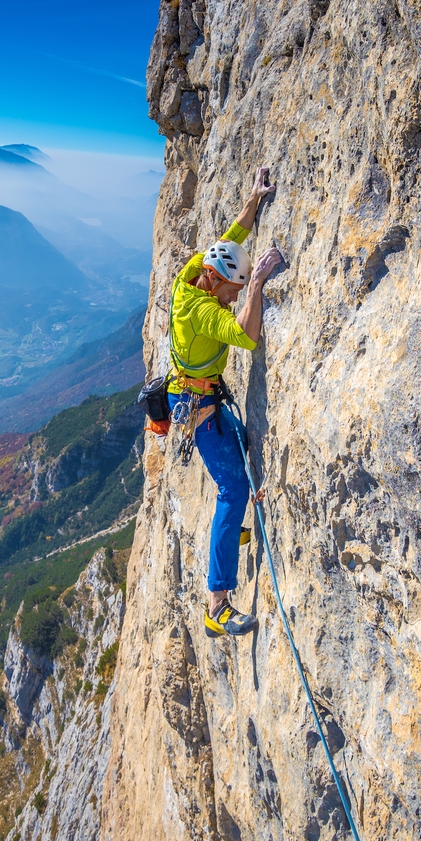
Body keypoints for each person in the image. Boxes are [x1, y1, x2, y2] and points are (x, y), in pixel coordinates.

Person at [167, 167, 283, 639]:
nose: (234, 298)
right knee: (233, 490)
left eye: (238, 293)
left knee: (243, 446)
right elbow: (247, 336)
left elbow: (228, 239)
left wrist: (253, 199)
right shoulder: (206, 312)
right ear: (218, 288)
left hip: (196, 393)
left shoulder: (193, 275)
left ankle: (233, 531)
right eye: (232, 293)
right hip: (199, 406)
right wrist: (255, 284)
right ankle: (217, 604)